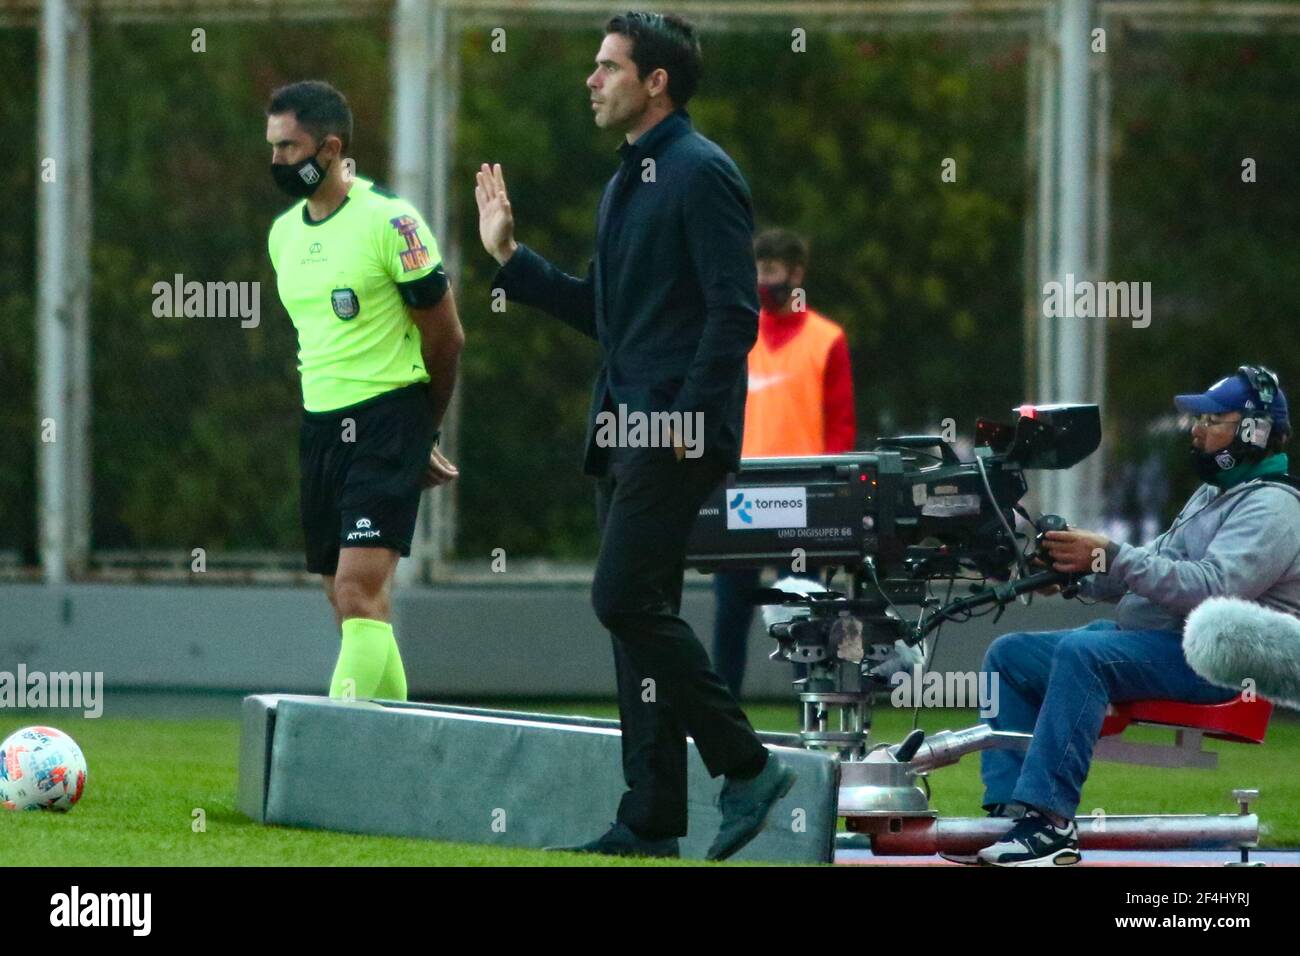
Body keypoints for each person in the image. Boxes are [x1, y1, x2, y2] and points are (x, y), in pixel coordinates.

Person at [475, 12, 795, 860]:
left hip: (671, 432)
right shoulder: (631, 178)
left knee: (619, 598)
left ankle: (748, 767)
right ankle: (650, 817)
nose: (592, 79)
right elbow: (610, 318)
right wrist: (513, 260)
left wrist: (685, 422)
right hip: (625, 430)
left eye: (608, 66)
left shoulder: (701, 171)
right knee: (634, 614)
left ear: (655, 82)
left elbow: (735, 314)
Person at [966, 365, 1300, 866]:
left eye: (1213, 420)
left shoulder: (1273, 507)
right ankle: (1009, 813)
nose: (1196, 430)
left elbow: (1212, 588)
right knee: (1010, 655)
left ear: (1253, 429)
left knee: (1087, 654)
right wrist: (1078, 570)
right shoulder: (1216, 494)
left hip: (1220, 662)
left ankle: (1049, 823)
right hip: (1160, 644)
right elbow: (1153, 566)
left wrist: (1113, 553)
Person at [265, 81, 463, 702]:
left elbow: (447, 337)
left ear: (330, 147)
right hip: (321, 426)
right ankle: (403, 751)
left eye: (289, 148)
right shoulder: (283, 235)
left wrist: (418, 432)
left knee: (357, 588)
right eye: (270, 148)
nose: (277, 162)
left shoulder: (391, 222)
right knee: (347, 597)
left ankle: (328, 749)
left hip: (387, 418)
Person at [711, 228, 856, 696]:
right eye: (757, 270)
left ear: (796, 274)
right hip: (743, 487)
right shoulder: (738, 333)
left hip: (802, 492)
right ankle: (723, 715)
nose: (761, 281)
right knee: (730, 612)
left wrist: (833, 491)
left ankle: (810, 707)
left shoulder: (825, 339)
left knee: (803, 614)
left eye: (770, 271)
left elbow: (839, 425)